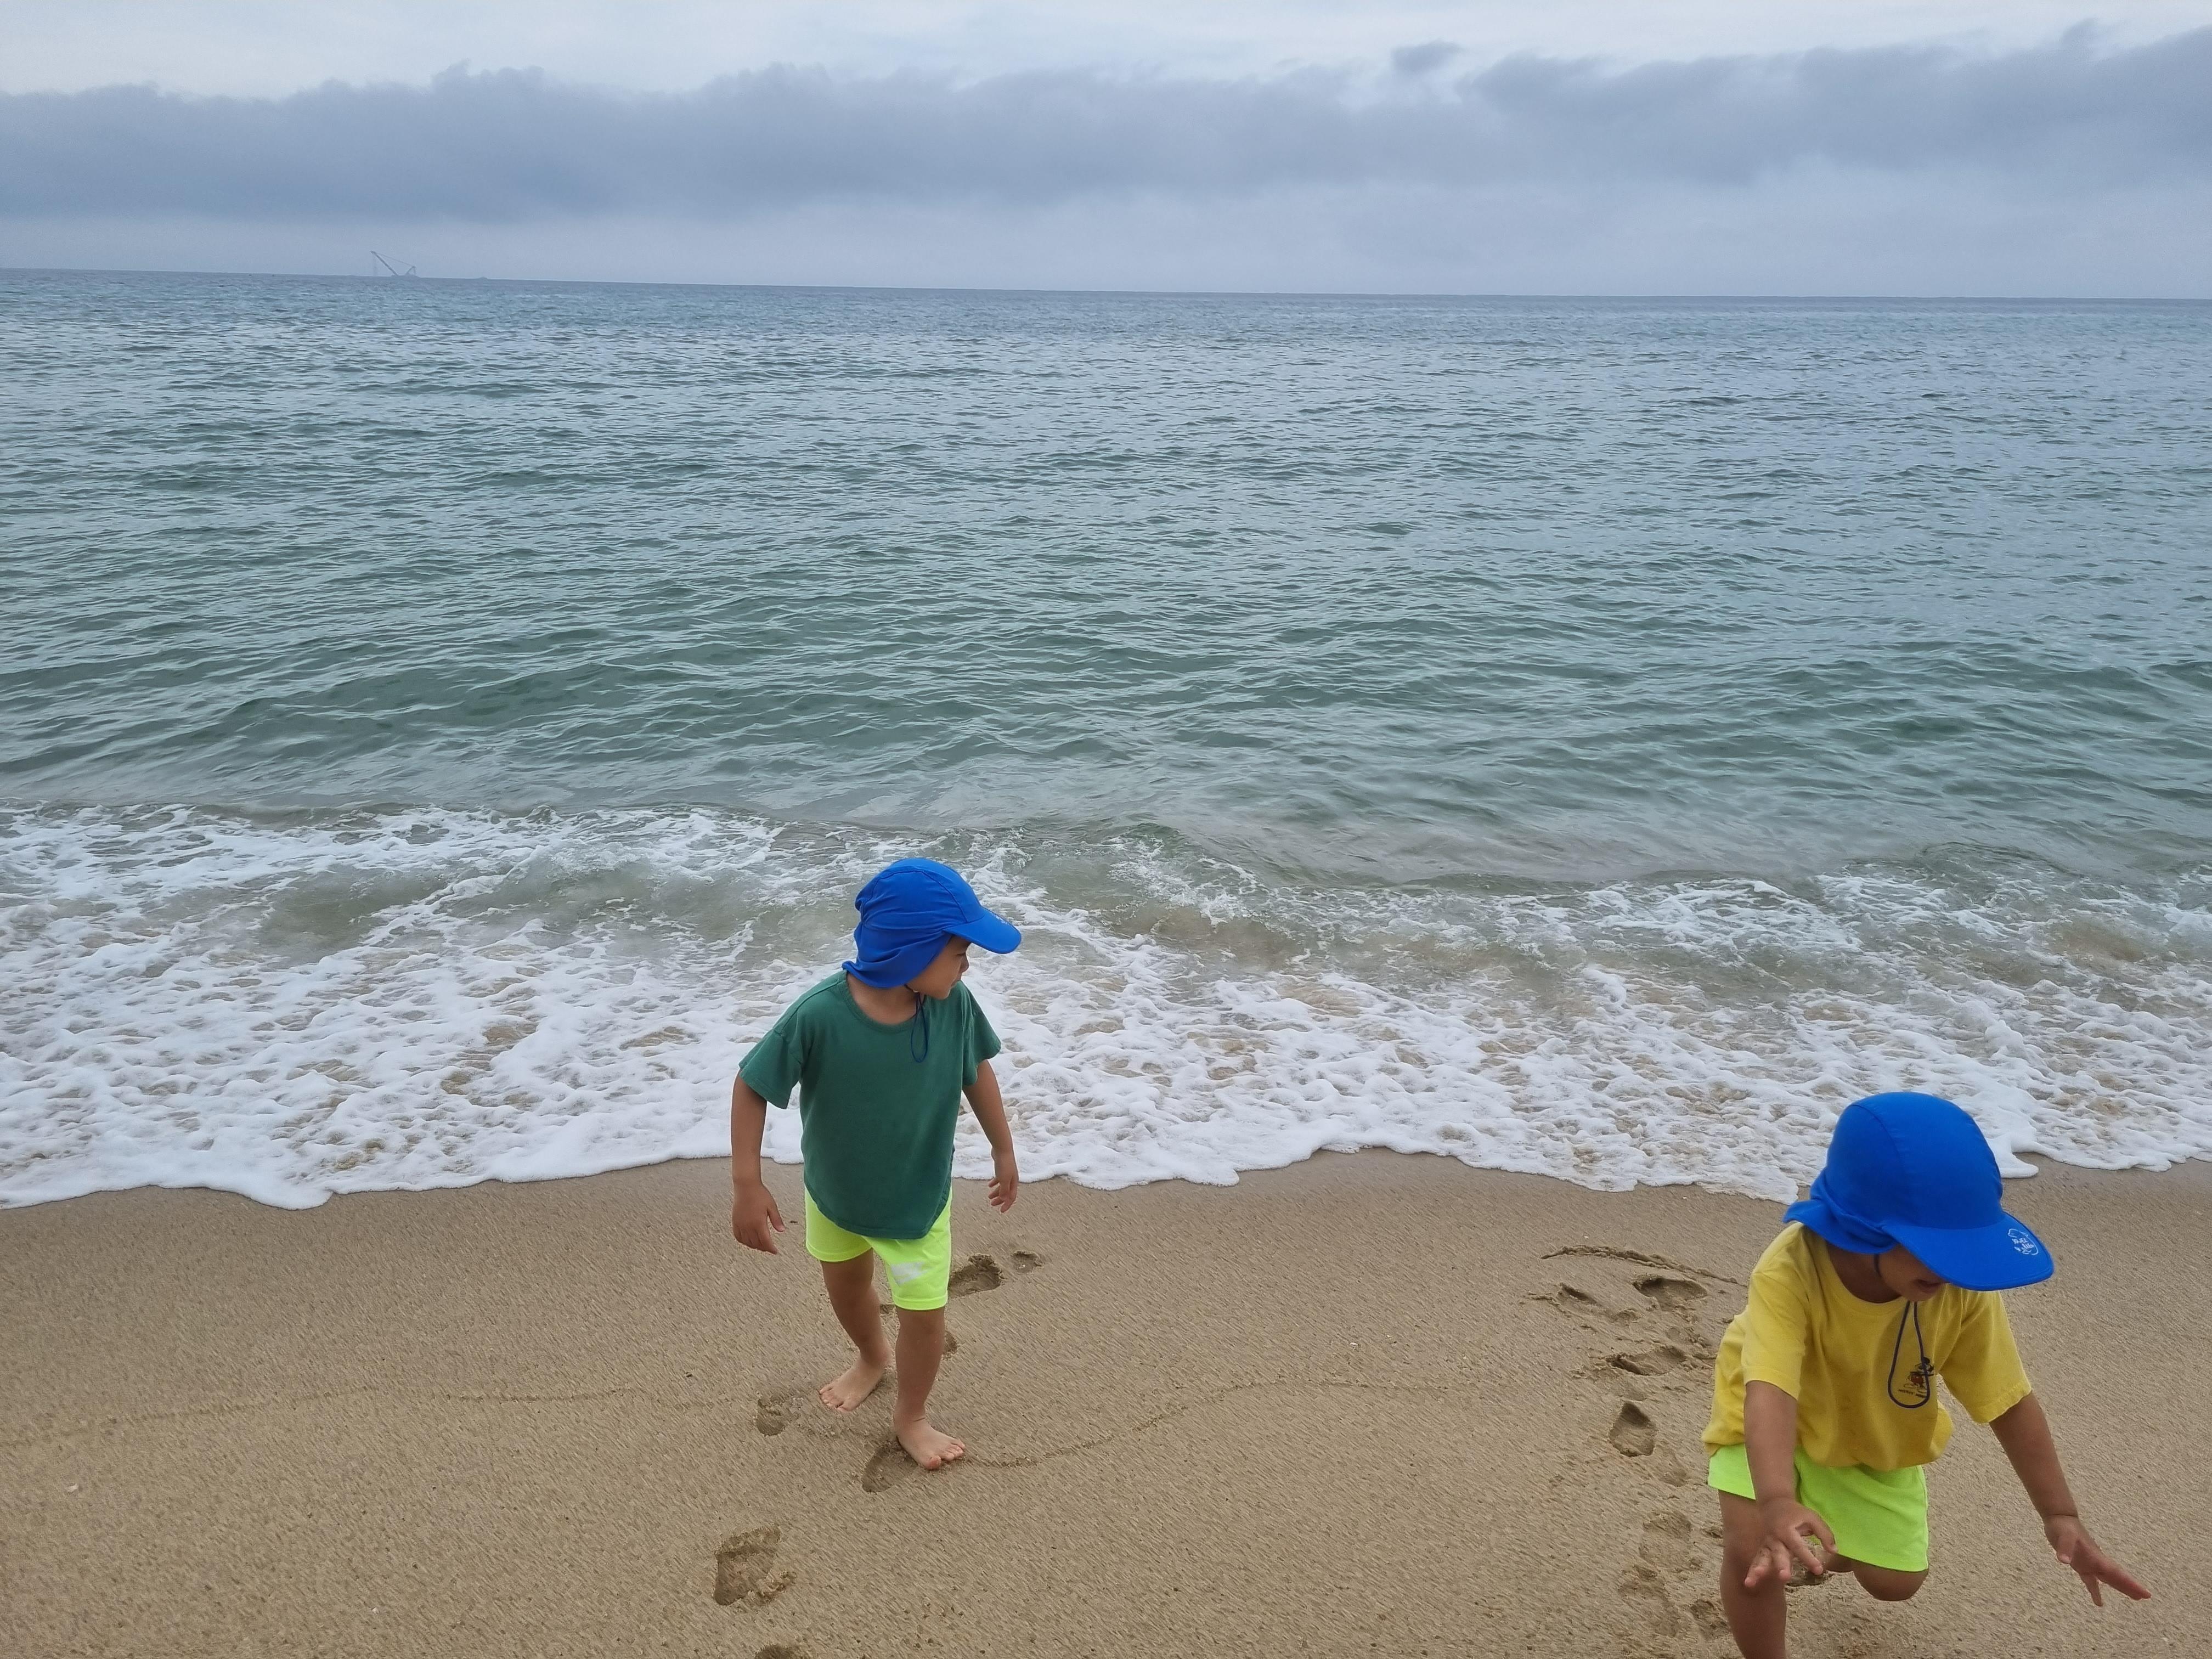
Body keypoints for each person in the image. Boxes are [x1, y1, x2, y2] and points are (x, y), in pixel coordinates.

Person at [1702, 1092, 2148, 1657]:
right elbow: (1771, 1387)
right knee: (1753, 1554)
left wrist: (2060, 1514)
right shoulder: (1791, 1269)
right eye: (1935, 1247)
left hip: (1874, 1422)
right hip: (1770, 1413)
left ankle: (1828, 1529)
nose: (1952, 1266)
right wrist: (1775, 1502)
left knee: (1896, 1583)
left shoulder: (1958, 1285)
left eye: (1964, 1248)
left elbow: (2009, 1402)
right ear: (1864, 1229)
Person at [729, 857, 1022, 1473]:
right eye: (959, 952)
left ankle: (911, 1416)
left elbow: (976, 1071)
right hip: (835, 1194)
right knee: (846, 1286)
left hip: (916, 1200)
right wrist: (747, 1183)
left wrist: (1003, 1147)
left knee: (924, 1314)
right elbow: (753, 1084)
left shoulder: (954, 1005)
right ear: (912, 952)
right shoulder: (820, 1014)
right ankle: (870, 1357)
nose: (967, 966)